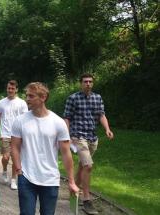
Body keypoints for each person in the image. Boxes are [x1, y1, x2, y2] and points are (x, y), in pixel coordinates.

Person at [10, 82, 79, 215]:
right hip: (27, 177)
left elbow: (66, 153)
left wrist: (71, 182)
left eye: (31, 96)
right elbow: (14, 147)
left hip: (50, 179)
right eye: (26, 95)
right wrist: (19, 170)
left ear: (43, 97)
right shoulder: (20, 121)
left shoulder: (58, 122)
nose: (27, 99)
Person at [63, 73, 114, 215]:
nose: (88, 84)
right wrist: (67, 135)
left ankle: (73, 192)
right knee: (88, 166)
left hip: (92, 137)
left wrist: (107, 129)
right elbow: (66, 118)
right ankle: (87, 200)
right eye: (85, 81)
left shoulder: (97, 98)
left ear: (93, 83)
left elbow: (101, 115)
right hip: (78, 136)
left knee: (83, 166)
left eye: (90, 81)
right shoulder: (73, 98)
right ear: (80, 83)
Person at [0, 80, 28, 190]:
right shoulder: (1, 102)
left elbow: (26, 119)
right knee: (5, 157)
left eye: (12, 89)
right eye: (9, 88)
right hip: (5, 133)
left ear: (16, 89)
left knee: (15, 158)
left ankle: (13, 180)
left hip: (17, 135)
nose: (10, 90)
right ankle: (4, 171)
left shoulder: (22, 103)